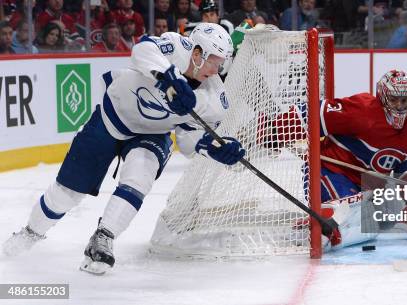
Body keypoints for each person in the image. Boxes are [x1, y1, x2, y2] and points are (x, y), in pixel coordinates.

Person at [2, 23, 245, 275]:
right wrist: (170, 76)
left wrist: (212, 147)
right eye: (214, 61)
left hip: (152, 134)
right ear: (197, 53)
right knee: (67, 194)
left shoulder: (216, 98)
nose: (218, 69)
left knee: (140, 176)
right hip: (111, 118)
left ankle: (103, 237)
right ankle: (31, 232)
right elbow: (142, 49)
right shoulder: (174, 46)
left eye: (222, 63)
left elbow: (187, 140)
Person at [264, 69, 407, 247]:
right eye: (393, 99)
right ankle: (314, 227)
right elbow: (315, 113)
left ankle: (330, 223)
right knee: (351, 219)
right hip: (329, 171)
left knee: (371, 222)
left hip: (365, 187)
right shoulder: (361, 110)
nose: (399, 106)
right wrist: (277, 131)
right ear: (382, 97)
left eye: (404, 100)